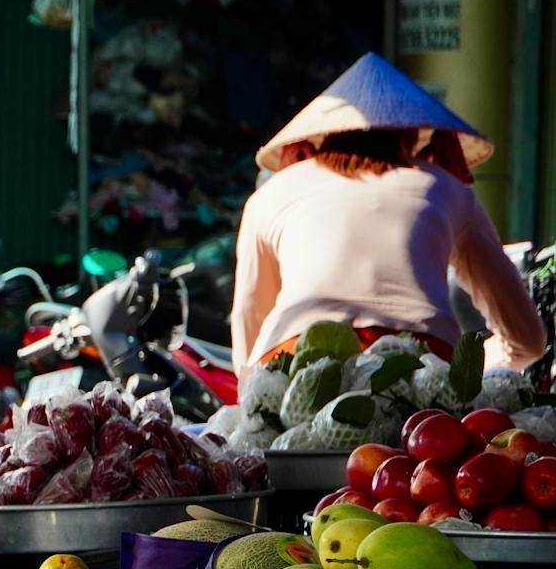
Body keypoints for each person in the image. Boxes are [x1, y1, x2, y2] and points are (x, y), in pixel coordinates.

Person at [230, 53, 545, 370]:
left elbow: (249, 319)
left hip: (291, 360)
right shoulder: (446, 188)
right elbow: (527, 340)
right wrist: (468, 370)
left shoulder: (269, 195)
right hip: (421, 363)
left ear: (326, 135)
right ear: (411, 136)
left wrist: (250, 405)